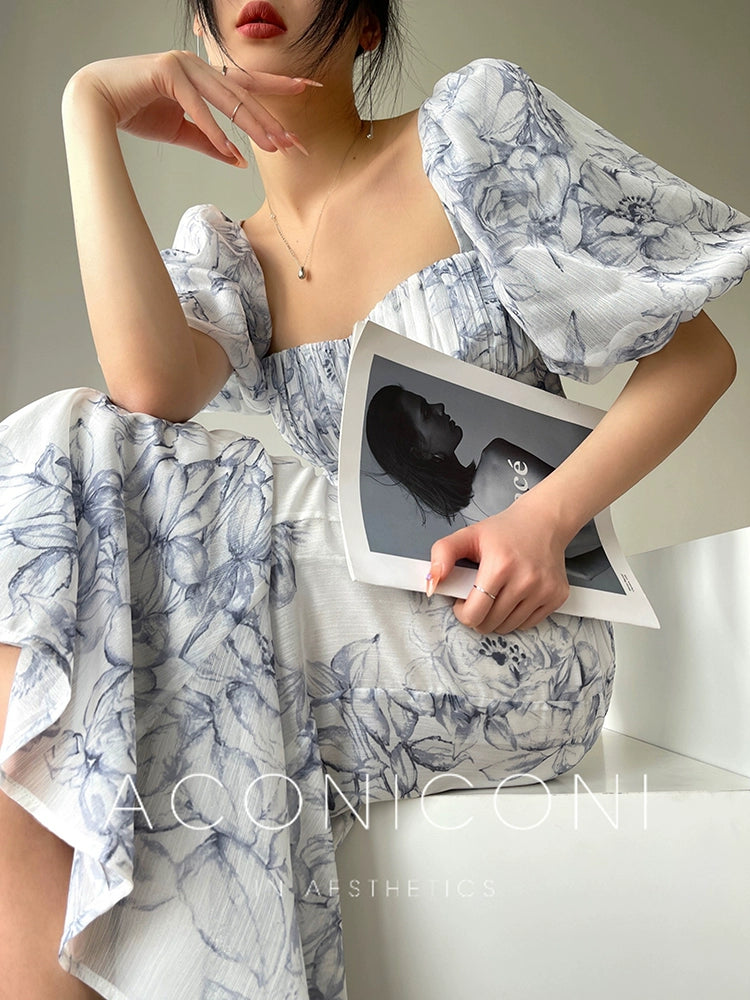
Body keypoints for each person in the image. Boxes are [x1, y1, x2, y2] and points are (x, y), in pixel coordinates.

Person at [0, 1, 747, 997]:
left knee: (64, 475)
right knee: (58, 679)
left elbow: (700, 357)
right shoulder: (235, 261)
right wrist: (87, 106)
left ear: (365, 25)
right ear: (201, 37)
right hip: (355, 637)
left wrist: (546, 515)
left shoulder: (470, 132)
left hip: (512, 641)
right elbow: (143, 388)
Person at [366, 384, 610, 583]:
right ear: (419, 451)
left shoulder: (476, 538)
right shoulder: (497, 459)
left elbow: (580, 567)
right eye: (426, 413)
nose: (439, 406)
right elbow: (590, 512)